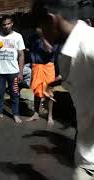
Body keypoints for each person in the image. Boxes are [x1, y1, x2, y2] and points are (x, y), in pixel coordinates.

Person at [31, 0, 94, 179]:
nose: (42, 35)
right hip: (86, 158)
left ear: (51, 21)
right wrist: (53, 83)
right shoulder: (69, 52)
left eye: (41, 29)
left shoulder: (89, 45)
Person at [0, 15, 25, 123]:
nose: (6, 26)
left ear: (12, 23)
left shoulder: (18, 37)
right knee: (0, 93)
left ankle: (16, 114)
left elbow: (21, 55)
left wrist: (20, 72)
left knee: (14, 93)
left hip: (13, 72)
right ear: (1, 25)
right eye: (4, 24)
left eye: (8, 24)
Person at [26, 28, 56, 126]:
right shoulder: (32, 37)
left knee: (49, 92)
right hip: (36, 66)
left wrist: (43, 37)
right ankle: (36, 113)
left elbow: (51, 50)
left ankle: (50, 115)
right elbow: (27, 49)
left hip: (48, 66)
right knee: (37, 91)